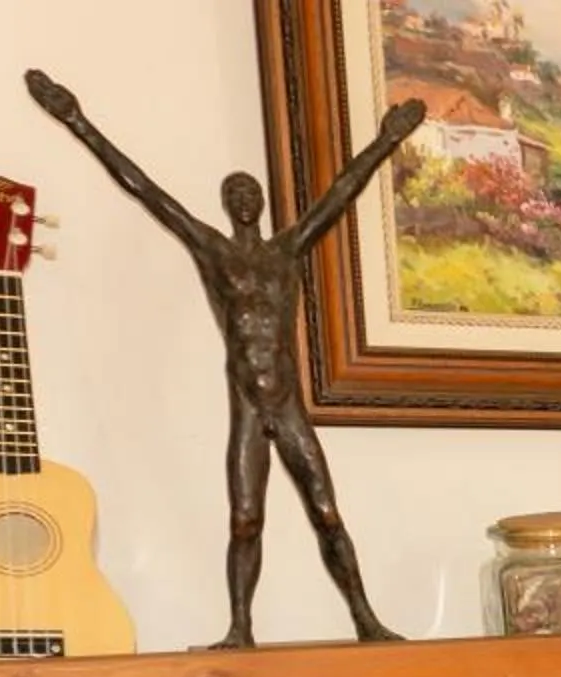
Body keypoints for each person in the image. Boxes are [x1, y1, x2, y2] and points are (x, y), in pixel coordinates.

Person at [26, 70, 424, 647]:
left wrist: (388, 139)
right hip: (248, 405)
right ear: (226, 204)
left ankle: (366, 620)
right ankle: (240, 628)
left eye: (250, 193)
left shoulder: (288, 249)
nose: (243, 199)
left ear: (260, 203)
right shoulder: (211, 250)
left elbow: (342, 191)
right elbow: (146, 191)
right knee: (245, 519)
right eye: (234, 193)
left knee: (326, 513)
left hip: (287, 403)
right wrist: (77, 121)